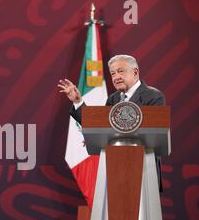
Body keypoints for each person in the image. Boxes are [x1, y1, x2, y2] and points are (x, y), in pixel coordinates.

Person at [57, 54, 165, 191]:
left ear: (135, 72)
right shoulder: (113, 99)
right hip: (115, 170)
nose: (116, 77)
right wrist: (78, 101)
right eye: (113, 73)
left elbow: (153, 132)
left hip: (143, 170)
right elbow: (99, 126)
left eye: (121, 71)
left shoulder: (153, 96)